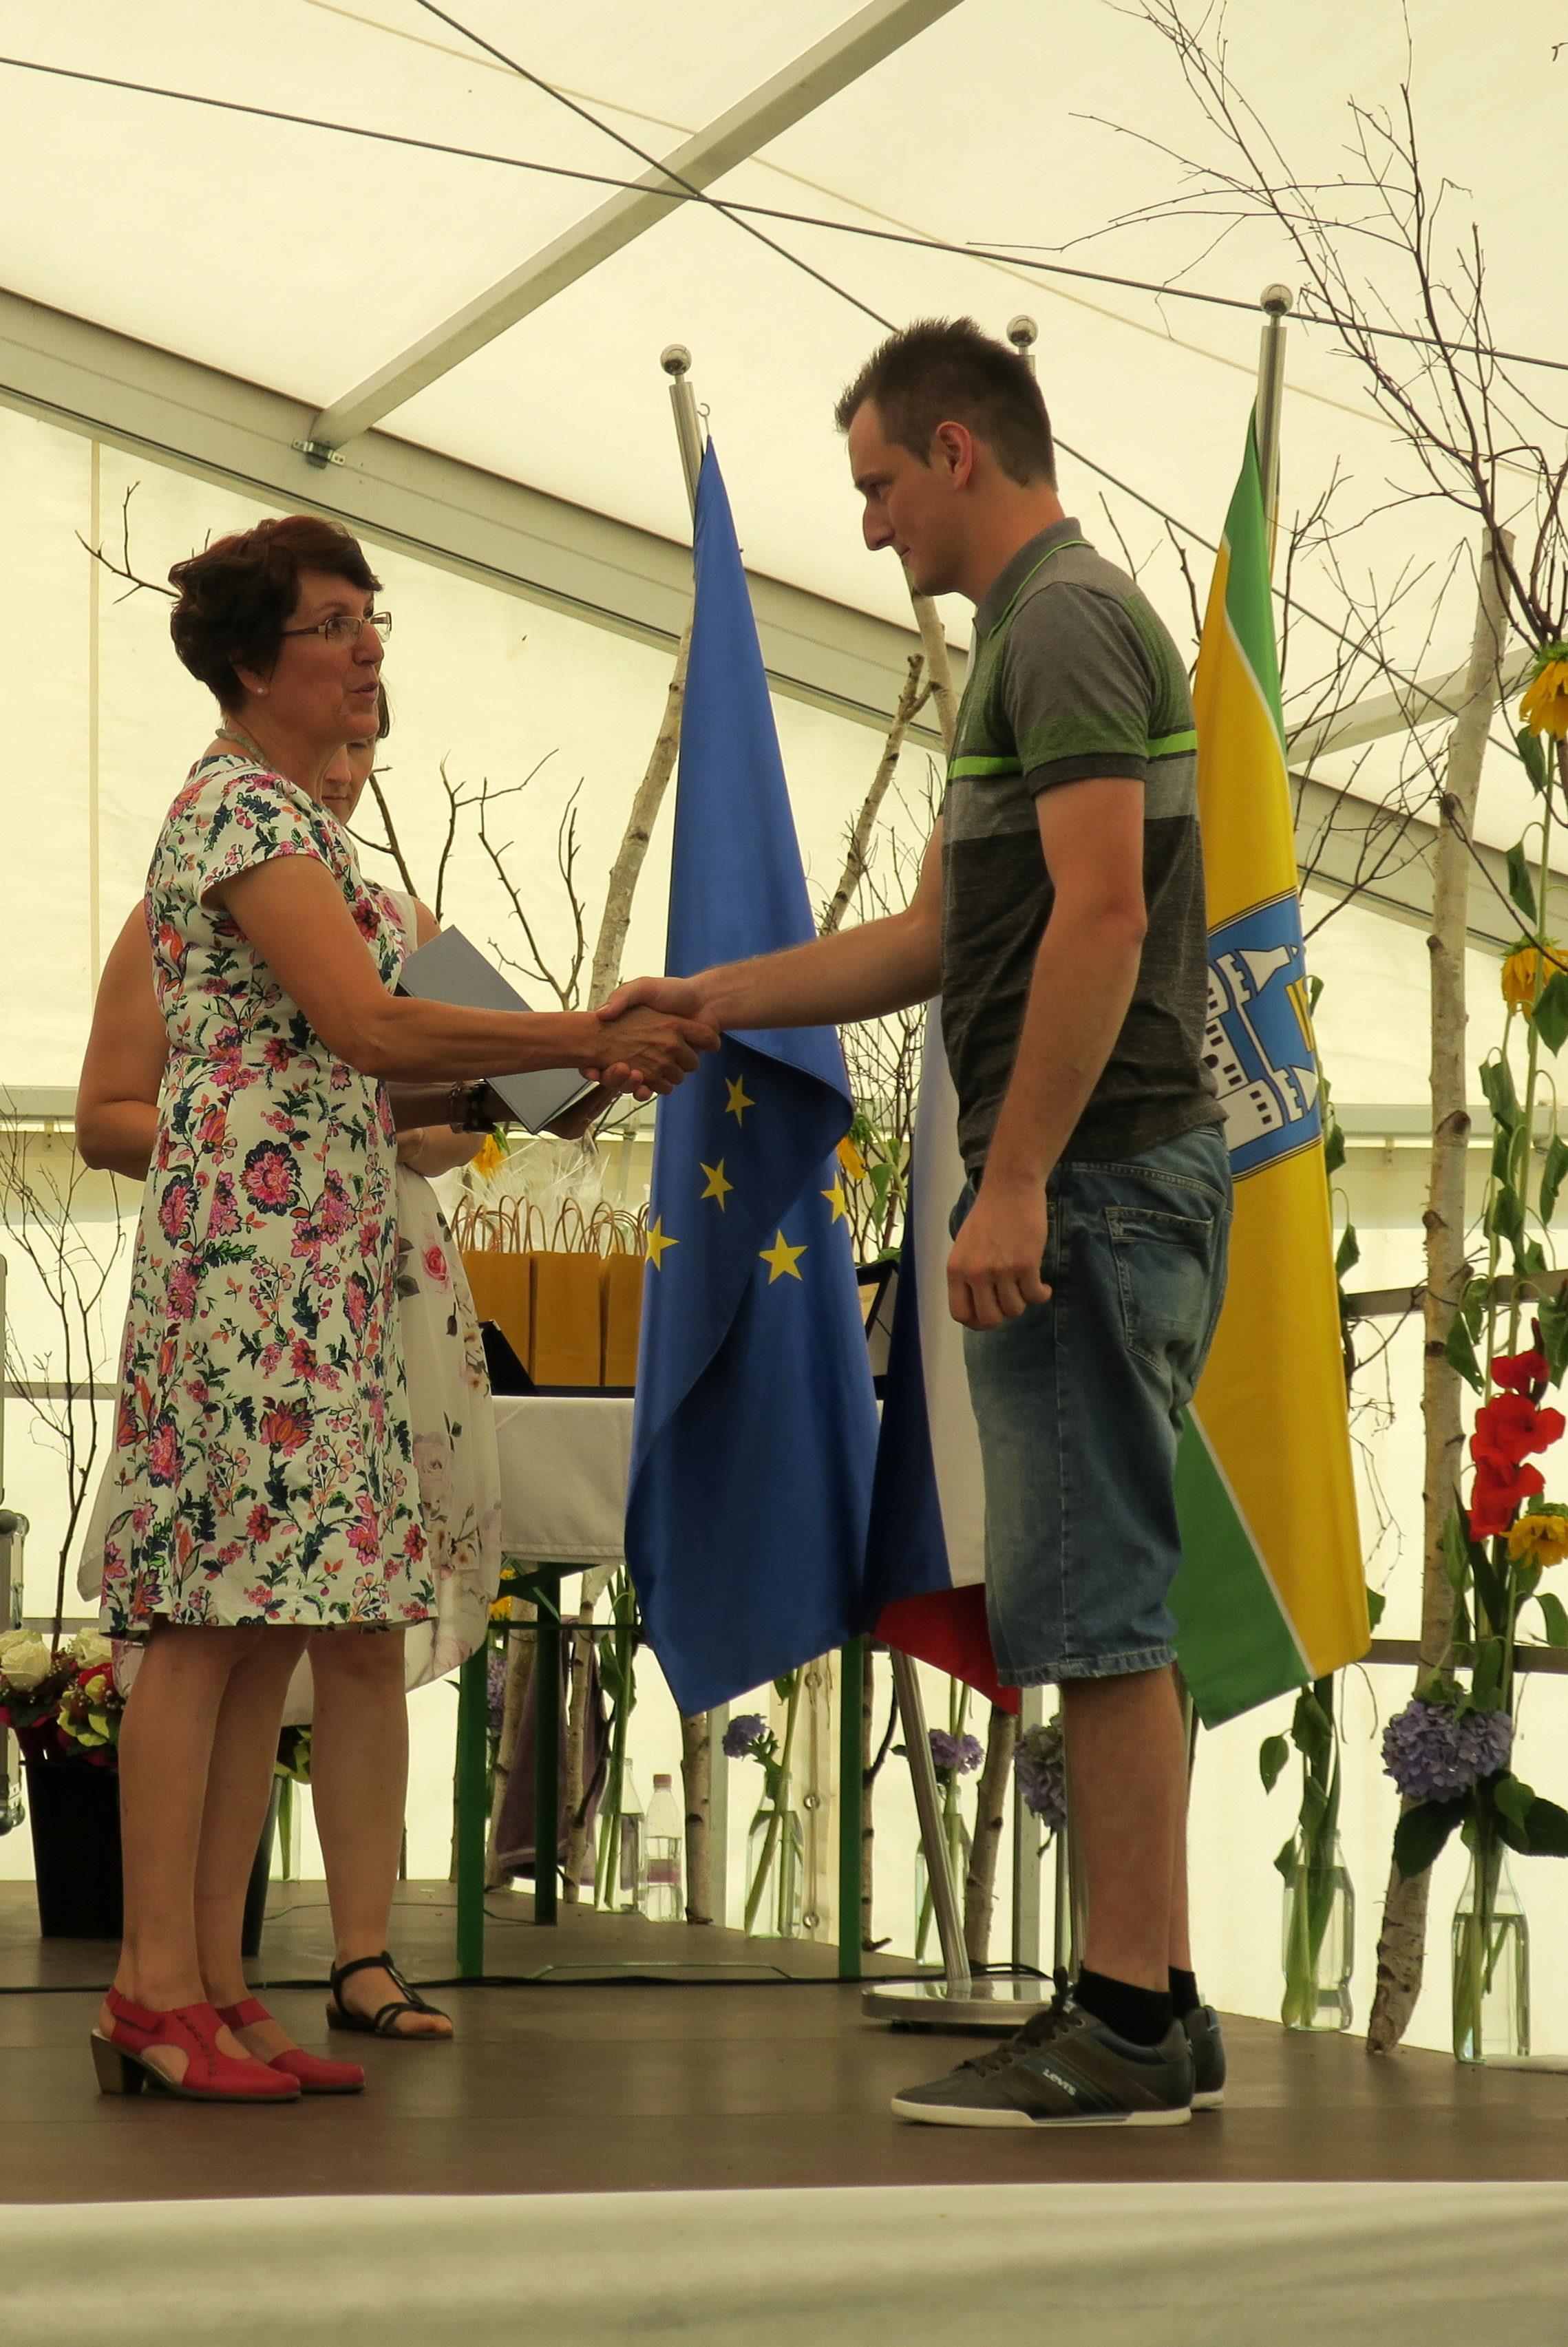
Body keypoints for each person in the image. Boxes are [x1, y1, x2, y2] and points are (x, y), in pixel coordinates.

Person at [601, 319, 1231, 2130]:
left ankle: (1121, 2019)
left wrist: (1013, 1174)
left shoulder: (1062, 622)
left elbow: (1100, 916)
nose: (870, 524)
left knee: (1094, 1603)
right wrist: (713, 997)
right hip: (1092, 1173)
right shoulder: (1029, 640)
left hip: (1091, 1177)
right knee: (1093, 1589)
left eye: (878, 483)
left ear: (958, 450)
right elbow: (940, 936)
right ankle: (1152, 1998)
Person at [89, 512, 714, 2105]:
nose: (368, 646)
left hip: (325, 1262)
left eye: (376, 616)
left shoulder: (314, 834)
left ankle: (217, 1983)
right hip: (249, 1261)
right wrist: (577, 1034)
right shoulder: (237, 810)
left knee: (263, 1631)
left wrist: (541, 1085)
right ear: (252, 662)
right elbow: (365, 1025)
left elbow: (387, 1084)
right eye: (332, 623)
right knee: (202, 1625)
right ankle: (149, 1984)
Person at [77, 718, 506, 2048]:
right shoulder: (218, 857)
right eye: (336, 724)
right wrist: (263, 1134)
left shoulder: (388, 911)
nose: (350, 754)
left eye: (370, 738)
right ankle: (176, 1976)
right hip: (262, 1255)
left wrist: (497, 1102)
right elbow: (109, 1110)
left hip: (371, 1273)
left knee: (353, 1615)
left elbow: (436, 1100)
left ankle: (335, 1956)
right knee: (223, 1610)